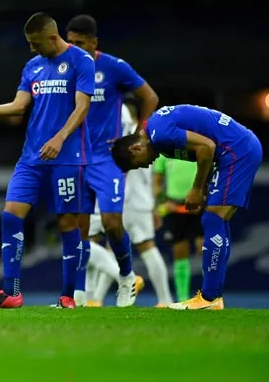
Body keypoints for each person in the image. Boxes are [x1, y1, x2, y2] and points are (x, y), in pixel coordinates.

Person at [0, 12, 94, 309]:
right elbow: (18, 107)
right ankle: (11, 292)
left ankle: (68, 296)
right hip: (32, 157)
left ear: (52, 37)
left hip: (67, 157)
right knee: (10, 214)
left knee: (68, 223)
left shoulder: (81, 61)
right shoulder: (33, 66)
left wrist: (60, 137)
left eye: (35, 43)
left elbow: (82, 108)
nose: (31, 48)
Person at [111, 104, 263, 310]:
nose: (146, 166)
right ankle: (213, 296)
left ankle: (210, 298)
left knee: (213, 219)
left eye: (139, 163)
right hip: (236, 148)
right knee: (218, 221)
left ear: (136, 148)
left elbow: (207, 147)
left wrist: (197, 189)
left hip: (236, 151)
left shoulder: (161, 136)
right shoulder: (153, 134)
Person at [65, 14, 158, 307]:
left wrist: (138, 138)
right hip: (76, 157)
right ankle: (76, 295)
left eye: (80, 43)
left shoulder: (114, 67)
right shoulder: (64, 68)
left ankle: (127, 277)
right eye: (70, 43)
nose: (74, 48)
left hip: (107, 160)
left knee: (112, 223)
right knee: (78, 228)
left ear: (94, 42)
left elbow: (150, 97)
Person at [85, 101, 170, 306]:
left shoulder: (121, 142)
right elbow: (151, 176)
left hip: (119, 199)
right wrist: (152, 206)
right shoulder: (147, 141)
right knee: (142, 248)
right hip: (141, 202)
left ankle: (95, 296)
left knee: (86, 242)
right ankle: (164, 299)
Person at [153, 153, 203, 302]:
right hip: (174, 206)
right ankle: (183, 299)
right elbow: (156, 183)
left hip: (200, 204)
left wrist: (204, 197)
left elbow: (213, 177)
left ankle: (211, 296)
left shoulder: (201, 147)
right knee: (180, 251)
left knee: (206, 249)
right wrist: (161, 203)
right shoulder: (164, 151)